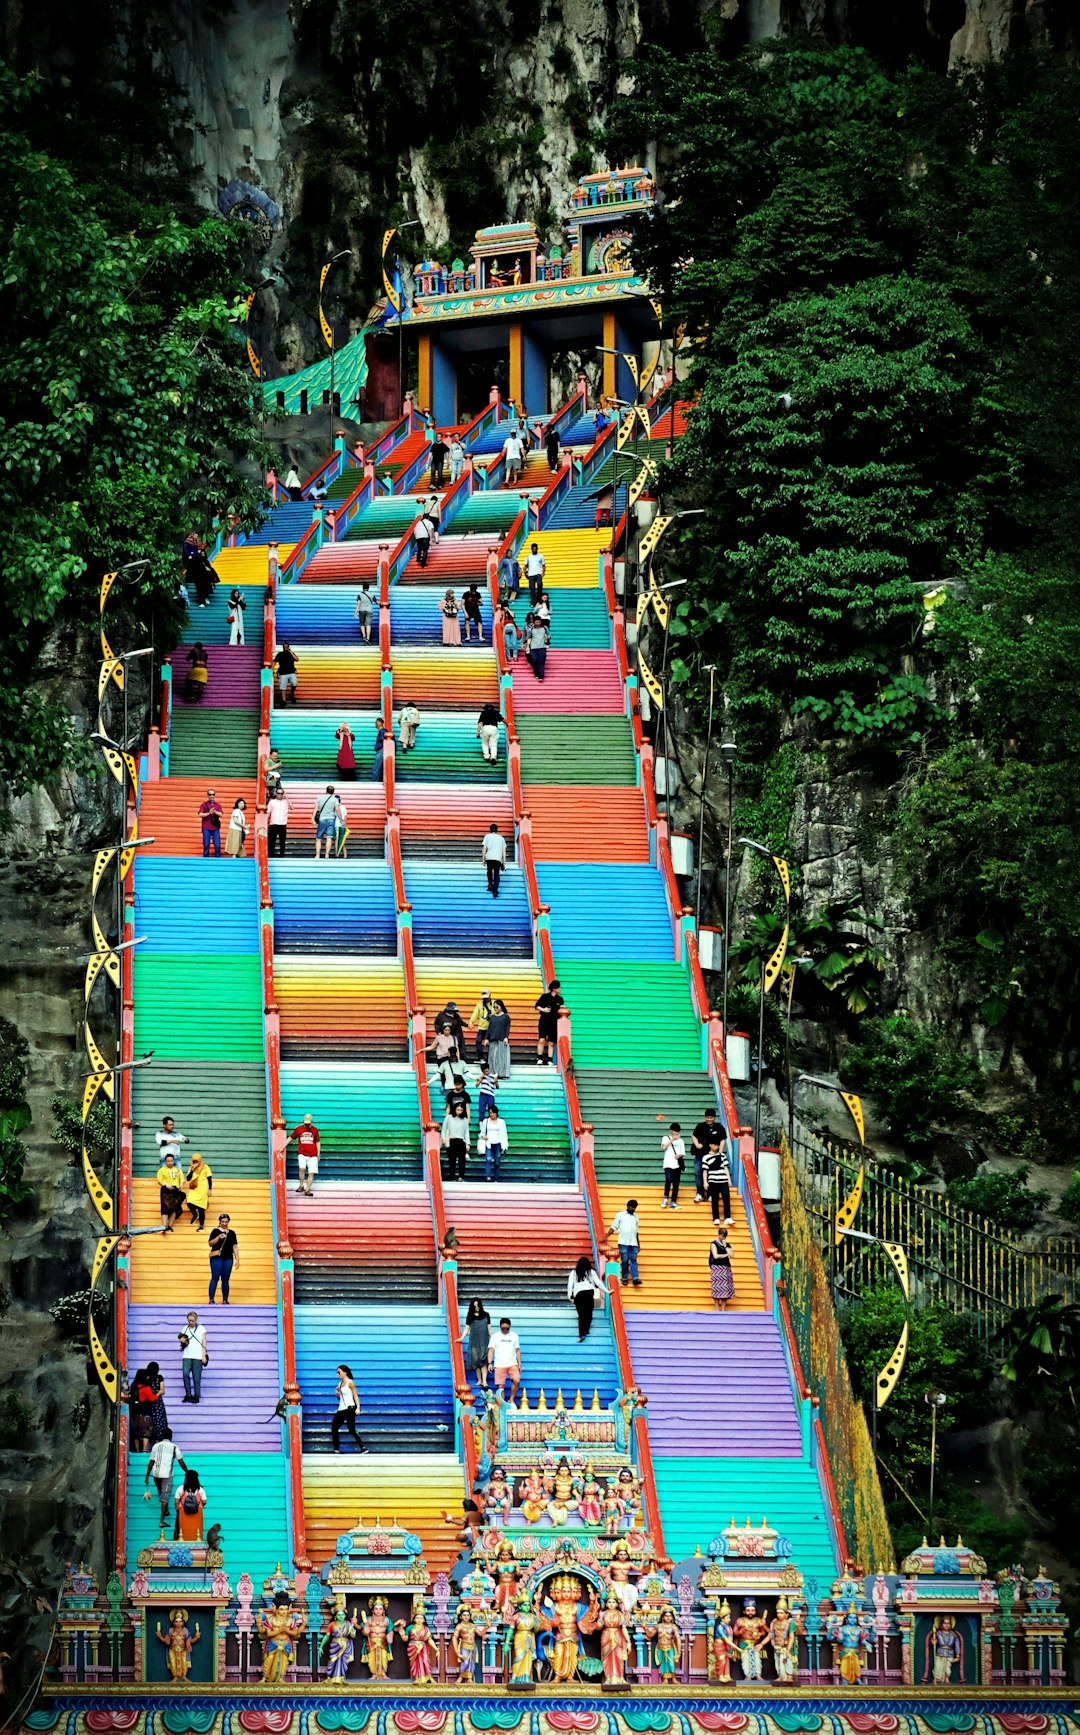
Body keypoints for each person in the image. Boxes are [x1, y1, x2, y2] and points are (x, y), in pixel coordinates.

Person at [145, 1428, 186, 1525]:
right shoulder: (174, 1447)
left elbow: (151, 1462)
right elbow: (181, 1461)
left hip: (156, 1474)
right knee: (165, 1497)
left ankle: (166, 1510)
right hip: (166, 1475)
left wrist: (147, 1476)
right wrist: (187, 1471)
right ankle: (162, 1521)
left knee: (161, 1492)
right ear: (171, 1436)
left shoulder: (156, 1446)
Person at [331, 1363, 367, 1452]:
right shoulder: (340, 1384)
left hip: (350, 1408)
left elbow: (355, 1395)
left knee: (351, 1429)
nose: (337, 1374)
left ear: (345, 1372)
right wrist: (337, 1394)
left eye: (339, 1372)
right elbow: (340, 1398)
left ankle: (362, 1447)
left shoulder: (350, 1383)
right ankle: (336, 1449)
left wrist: (358, 1408)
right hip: (341, 1409)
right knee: (334, 1428)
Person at [567, 1255, 604, 1341]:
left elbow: (570, 1285)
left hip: (578, 1295)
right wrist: (607, 1291)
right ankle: (586, 1329)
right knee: (589, 1312)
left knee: (581, 1314)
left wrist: (570, 1296)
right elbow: (598, 1283)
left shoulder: (574, 1272)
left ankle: (581, 1334)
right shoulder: (591, 1272)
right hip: (588, 1293)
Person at [606, 1199, 642, 1287]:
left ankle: (635, 1278)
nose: (633, 1209)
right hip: (623, 1242)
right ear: (627, 1206)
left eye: (634, 1208)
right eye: (632, 1207)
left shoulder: (636, 1217)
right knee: (625, 1260)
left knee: (633, 1260)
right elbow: (614, 1227)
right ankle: (625, 1277)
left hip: (633, 1243)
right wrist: (606, 1236)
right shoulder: (620, 1215)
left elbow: (636, 1232)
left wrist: (638, 1244)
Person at [208, 1213, 238, 1304]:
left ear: (228, 1222)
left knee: (225, 1279)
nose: (224, 1223)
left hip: (228, 1257)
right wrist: (218, 1238)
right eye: (222, 1222)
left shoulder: (232, 1233)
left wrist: (237, 1259)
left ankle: (225, 1300)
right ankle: (211, 1299)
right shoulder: (215, 1231)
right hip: (217, 1257)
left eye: (226, 1222)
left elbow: (235, 1246)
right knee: (215, 1278)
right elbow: (210, 1243)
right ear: (219, 1222)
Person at [178, 1310, 208, 1404]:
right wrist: (181, 1340)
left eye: (192, 1320)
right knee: (185, 1374)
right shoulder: (185, 1328)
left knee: (196, 1377)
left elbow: (204, 1342)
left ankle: (196, 1395)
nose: (191, 1322)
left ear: (196, 1320)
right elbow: (181, 1339)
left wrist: (204, 1355)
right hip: (187, 1355)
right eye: (189, 1320)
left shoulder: (201, 1328)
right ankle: (188, 1394)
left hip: (198, 1356)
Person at [287, 1113, 320, 1195]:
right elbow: (290, 1138)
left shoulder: (315, 1130)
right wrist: (282, 1146)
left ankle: (307, 1190)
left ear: (312, 1121)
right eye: (306, 1123)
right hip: (302, 1153)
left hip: (313, 1154)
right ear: (303, 1121)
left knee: (311, 1172)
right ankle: (301, 1185)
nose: (307, 1125)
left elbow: (318, 1142)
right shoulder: (299, 1129)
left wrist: (318, 1154)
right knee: (302, 1168)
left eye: (309, 1123)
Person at [488, 1318, 521, 1398]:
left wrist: (519, 1364)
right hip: (499, 1364)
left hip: (512, 1363)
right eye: (503, 1328)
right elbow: (491, 1350)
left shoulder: (514, 1335)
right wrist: (489, 1363)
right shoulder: (495, 1336)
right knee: (501, 1387)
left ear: (510, 1327)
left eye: (507, 1328)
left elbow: (517, 1350)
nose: (505, 1330)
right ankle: (503, 1405)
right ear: (500, 1327)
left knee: (517, 1381)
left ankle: (511, 1399)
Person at [704, 1138, 734, 1227]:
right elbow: (705, 1170)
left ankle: (727, 1217)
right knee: (715, 1199)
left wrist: (729, 1179)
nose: (716, 1147)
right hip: (713, 1180)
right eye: (715, 1145)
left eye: (718, 1145)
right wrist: (705, 1182)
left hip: (723, 1179)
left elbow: (725, 1168)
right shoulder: (706, 1157)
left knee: (726, 1198)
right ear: (710, 1145)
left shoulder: (722, 1156)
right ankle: (716, 1218)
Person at [691, 1107, 719, 1202]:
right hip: (699, 1154)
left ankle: (711, 1194)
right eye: (707, 1117)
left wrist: (719, 1152)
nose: (709, 1119)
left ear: (714, 1117)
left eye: (711, 1117)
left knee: (711, 1174)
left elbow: (723, 1140)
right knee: (698, 1173)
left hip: (711, 1155)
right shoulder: (700, 1126)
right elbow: (694, 1136)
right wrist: (696, 1144)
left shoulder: (718, 1127)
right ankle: (700, 1194)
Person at [156, 1149, 185, 1235]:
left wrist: (181, 1185)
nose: (169, 1162)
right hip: (165, 1190)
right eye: (168, 1161)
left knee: (174, 1208)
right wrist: (165, 1185)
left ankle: (170, 1226)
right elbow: (159, 1180)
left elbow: (182, 1179)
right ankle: (164, 1226)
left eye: (171, 1161)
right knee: (164, 1209)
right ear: (165, 1161)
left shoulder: (178, 1170)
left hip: (175, 1190)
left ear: (173, 1161)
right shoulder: (161, 1170)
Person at [534, 979, 563, 1066]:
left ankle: (549, 1060)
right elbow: (536, 1006)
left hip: (554, 1022)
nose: (560, 989)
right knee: (542, 1039)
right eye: (559, 987)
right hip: (544, 1020)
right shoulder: (545, 996)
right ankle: (539, 1058)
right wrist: (544, 1010)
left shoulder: (560, 999)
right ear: (554, 988)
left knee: (551, 1042)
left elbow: (560, 1009)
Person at [478, 1104, 508, 1182]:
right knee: (488, 1160)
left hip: (498, 1144)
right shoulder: (486, 1121)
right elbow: (482, 1133)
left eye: (493, 1113)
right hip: (489, 1144)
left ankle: (496, 1179)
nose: (492, 1114)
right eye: (490, 1112)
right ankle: (488, 1177)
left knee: (497, 1162)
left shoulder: (501, 1122)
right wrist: (482, 1137)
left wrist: (505, 1146)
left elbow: (504, 1134)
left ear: (497, 1113)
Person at [175, 1467, 207, 1541]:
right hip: (197, 1513)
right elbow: (204, 1501)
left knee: (183, 1532)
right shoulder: (200, 1489)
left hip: (183, 1513)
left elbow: (176, 1501)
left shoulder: (180, 1488)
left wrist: (178, 1509)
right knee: (196, 1532)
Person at [441, 1101, 470, 1180]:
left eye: (461, 1110)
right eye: (458, 1110)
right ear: (454, 1109)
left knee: (462, 1160)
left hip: (461, 1141)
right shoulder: (448, 1118)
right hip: (451, 1140)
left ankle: (461, 1176)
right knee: (452, 1160)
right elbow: (444, 1129)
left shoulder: (464, 1120)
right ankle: (452, 1177)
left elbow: (466, 1132)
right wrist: (443, 1138)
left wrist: (468, 1143)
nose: (459, 1112)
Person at [143, 1360, 169, 1445]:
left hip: (148, 1403)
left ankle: (151, 1441)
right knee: (159, 1421)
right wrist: (157, 1395)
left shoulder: (146, 1378)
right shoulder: (159, 1377)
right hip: (158, 1403)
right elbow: (162, 1390)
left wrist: (152, 1396)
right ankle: (158, 1440)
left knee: (151, 1421)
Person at [312, 786, 342, 860]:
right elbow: (337, 810)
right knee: (329, 837)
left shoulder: (319, 798)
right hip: (331, 819)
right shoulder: (335, 799)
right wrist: (341, 819)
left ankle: (317, 855)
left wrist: (312, 819)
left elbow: (315, 809)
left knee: (319, 838)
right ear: (333, 792)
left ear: (326, 791)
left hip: (322, 819)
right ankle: (327, 855)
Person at [184, 1153, 212, 1231]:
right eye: (194, 1160)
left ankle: (201, 1226)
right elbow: (188, 1179)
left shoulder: (205, 1167)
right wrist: (192, 1170)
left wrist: (210, 1189)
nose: (195, 1162)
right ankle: (195, 1215)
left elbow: (209, 1178)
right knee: (189, 1202)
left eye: (197, 1161)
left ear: (200, 1160)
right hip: (194, 1188)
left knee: (201, 1207)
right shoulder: (191, 1167)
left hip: (203, 1188)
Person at [660, 1121, 685, 1209]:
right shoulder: (665, 1138)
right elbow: (663, 1147)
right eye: (675, 1131)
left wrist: (679, 1155)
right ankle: (665, 1198)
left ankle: (673, 1202)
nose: (676, 1133)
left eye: (678, 1131)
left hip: (677, 1164)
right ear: (671, 1130)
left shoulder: (681, 1141)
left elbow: (682, 1152)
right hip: (668, 1164)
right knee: (668, 1179)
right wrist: (672, 1139)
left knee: (676, 1183)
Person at [709, 1228, 735, 1310]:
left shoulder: (727, 1244)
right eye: (722, 1236)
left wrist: (725, 1246)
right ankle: (717, 1309)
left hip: (726, 1268)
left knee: (725, 1288)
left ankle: (723, 1309)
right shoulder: (714, 1243)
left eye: (725, 1237)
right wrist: (725, 1255)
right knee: (717, 1288)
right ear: (719, 1235)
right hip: (717, 1268)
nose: (723, 1238)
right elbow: (715, 1256)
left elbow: (732, 1254)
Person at [486, 997, 512, 1079]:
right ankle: (493, 1073)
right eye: (494, 1007)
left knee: (502, 1058)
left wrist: (506, 1037)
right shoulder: (492, 1017)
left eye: (497, 1007)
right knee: (492, 1058)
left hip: (502, 1039)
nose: (495, 1008)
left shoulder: (505, 1016)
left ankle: (502, 1074)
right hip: (493, 1039)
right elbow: (489, 1028)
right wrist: (487, 1038)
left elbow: (507, 1027)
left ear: (501, 1007)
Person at [481, 821, 507, 896]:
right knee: (496, 875)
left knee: (489, 872)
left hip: (489, 857)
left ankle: (490, 885)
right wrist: (504, 863)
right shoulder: (501, 838)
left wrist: (483, 858)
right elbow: (504, 851)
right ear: (497, 830)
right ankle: (495, 890)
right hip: (497, 858)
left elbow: (484, 847)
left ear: (490, 829)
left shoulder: (487, 836)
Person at [468, 990, 494, 1059]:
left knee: (491, 1044)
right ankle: (481, 1058)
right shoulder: (479, 1005)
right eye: (484, 998)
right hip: (482, 1028)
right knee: (478, 1041)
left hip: (492, 1028)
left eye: (487, 998)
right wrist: (471, 1022)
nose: (485, 999)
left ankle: (490, 1058)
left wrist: (493, 1016)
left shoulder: (494, 1004)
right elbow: (475, 1014)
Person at [198, 789, 223, 858]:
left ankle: (217, 860)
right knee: (206, 845)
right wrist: (209, 813)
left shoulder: (218, 805)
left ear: (214, 795)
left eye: (213, 794)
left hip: (215, 827)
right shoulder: (204, 804)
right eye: (210, 794)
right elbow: (200, 814)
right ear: (208, 795)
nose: (211, 796)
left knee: (217, 845)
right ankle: (206, 860)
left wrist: (215, 812)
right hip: (206, 827)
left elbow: (221, 814)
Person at [267, 788, 290, 858]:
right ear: (276, 794)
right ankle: (271, 856)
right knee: (271, 841)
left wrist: (287, 797)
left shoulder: (286, 802)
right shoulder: (272, 802)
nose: (280, 795)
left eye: (281, 793)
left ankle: (281, 856)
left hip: (282, 825)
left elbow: (292, 807)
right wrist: (266, 823)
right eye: (278, 793)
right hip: (273, 824)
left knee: (282, 842)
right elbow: (268, 812)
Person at [525, 615, 549, 681]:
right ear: (534, 622)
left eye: (539, 622)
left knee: (541, 662)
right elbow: (529, 638)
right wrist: (527, 646)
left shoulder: (545, 628)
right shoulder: (531, 629)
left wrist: (548, 637)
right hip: (533, 648)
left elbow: (548, 635)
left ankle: (541, 676)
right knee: (534, 661)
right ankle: (536, 673)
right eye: (536, 622)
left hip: (542, 647)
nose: (538, 623)